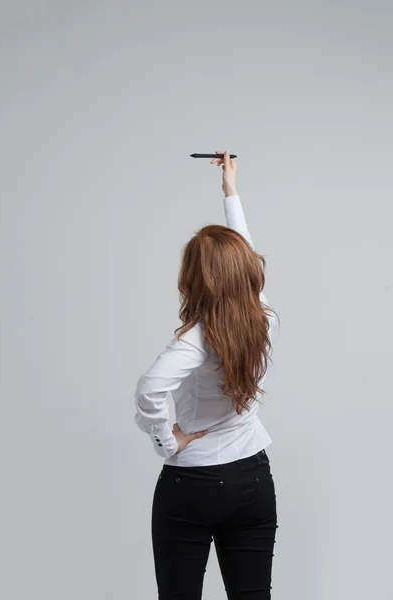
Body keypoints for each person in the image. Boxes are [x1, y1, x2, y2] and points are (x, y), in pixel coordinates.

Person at [134, 150, 279, 599]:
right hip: (253, 477)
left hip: (193, 482)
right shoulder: (264, 317)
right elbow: (245, 252)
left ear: (195, 278)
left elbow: (150, 388)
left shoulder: (195, 339)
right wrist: (230, 191)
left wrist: (165, 438)